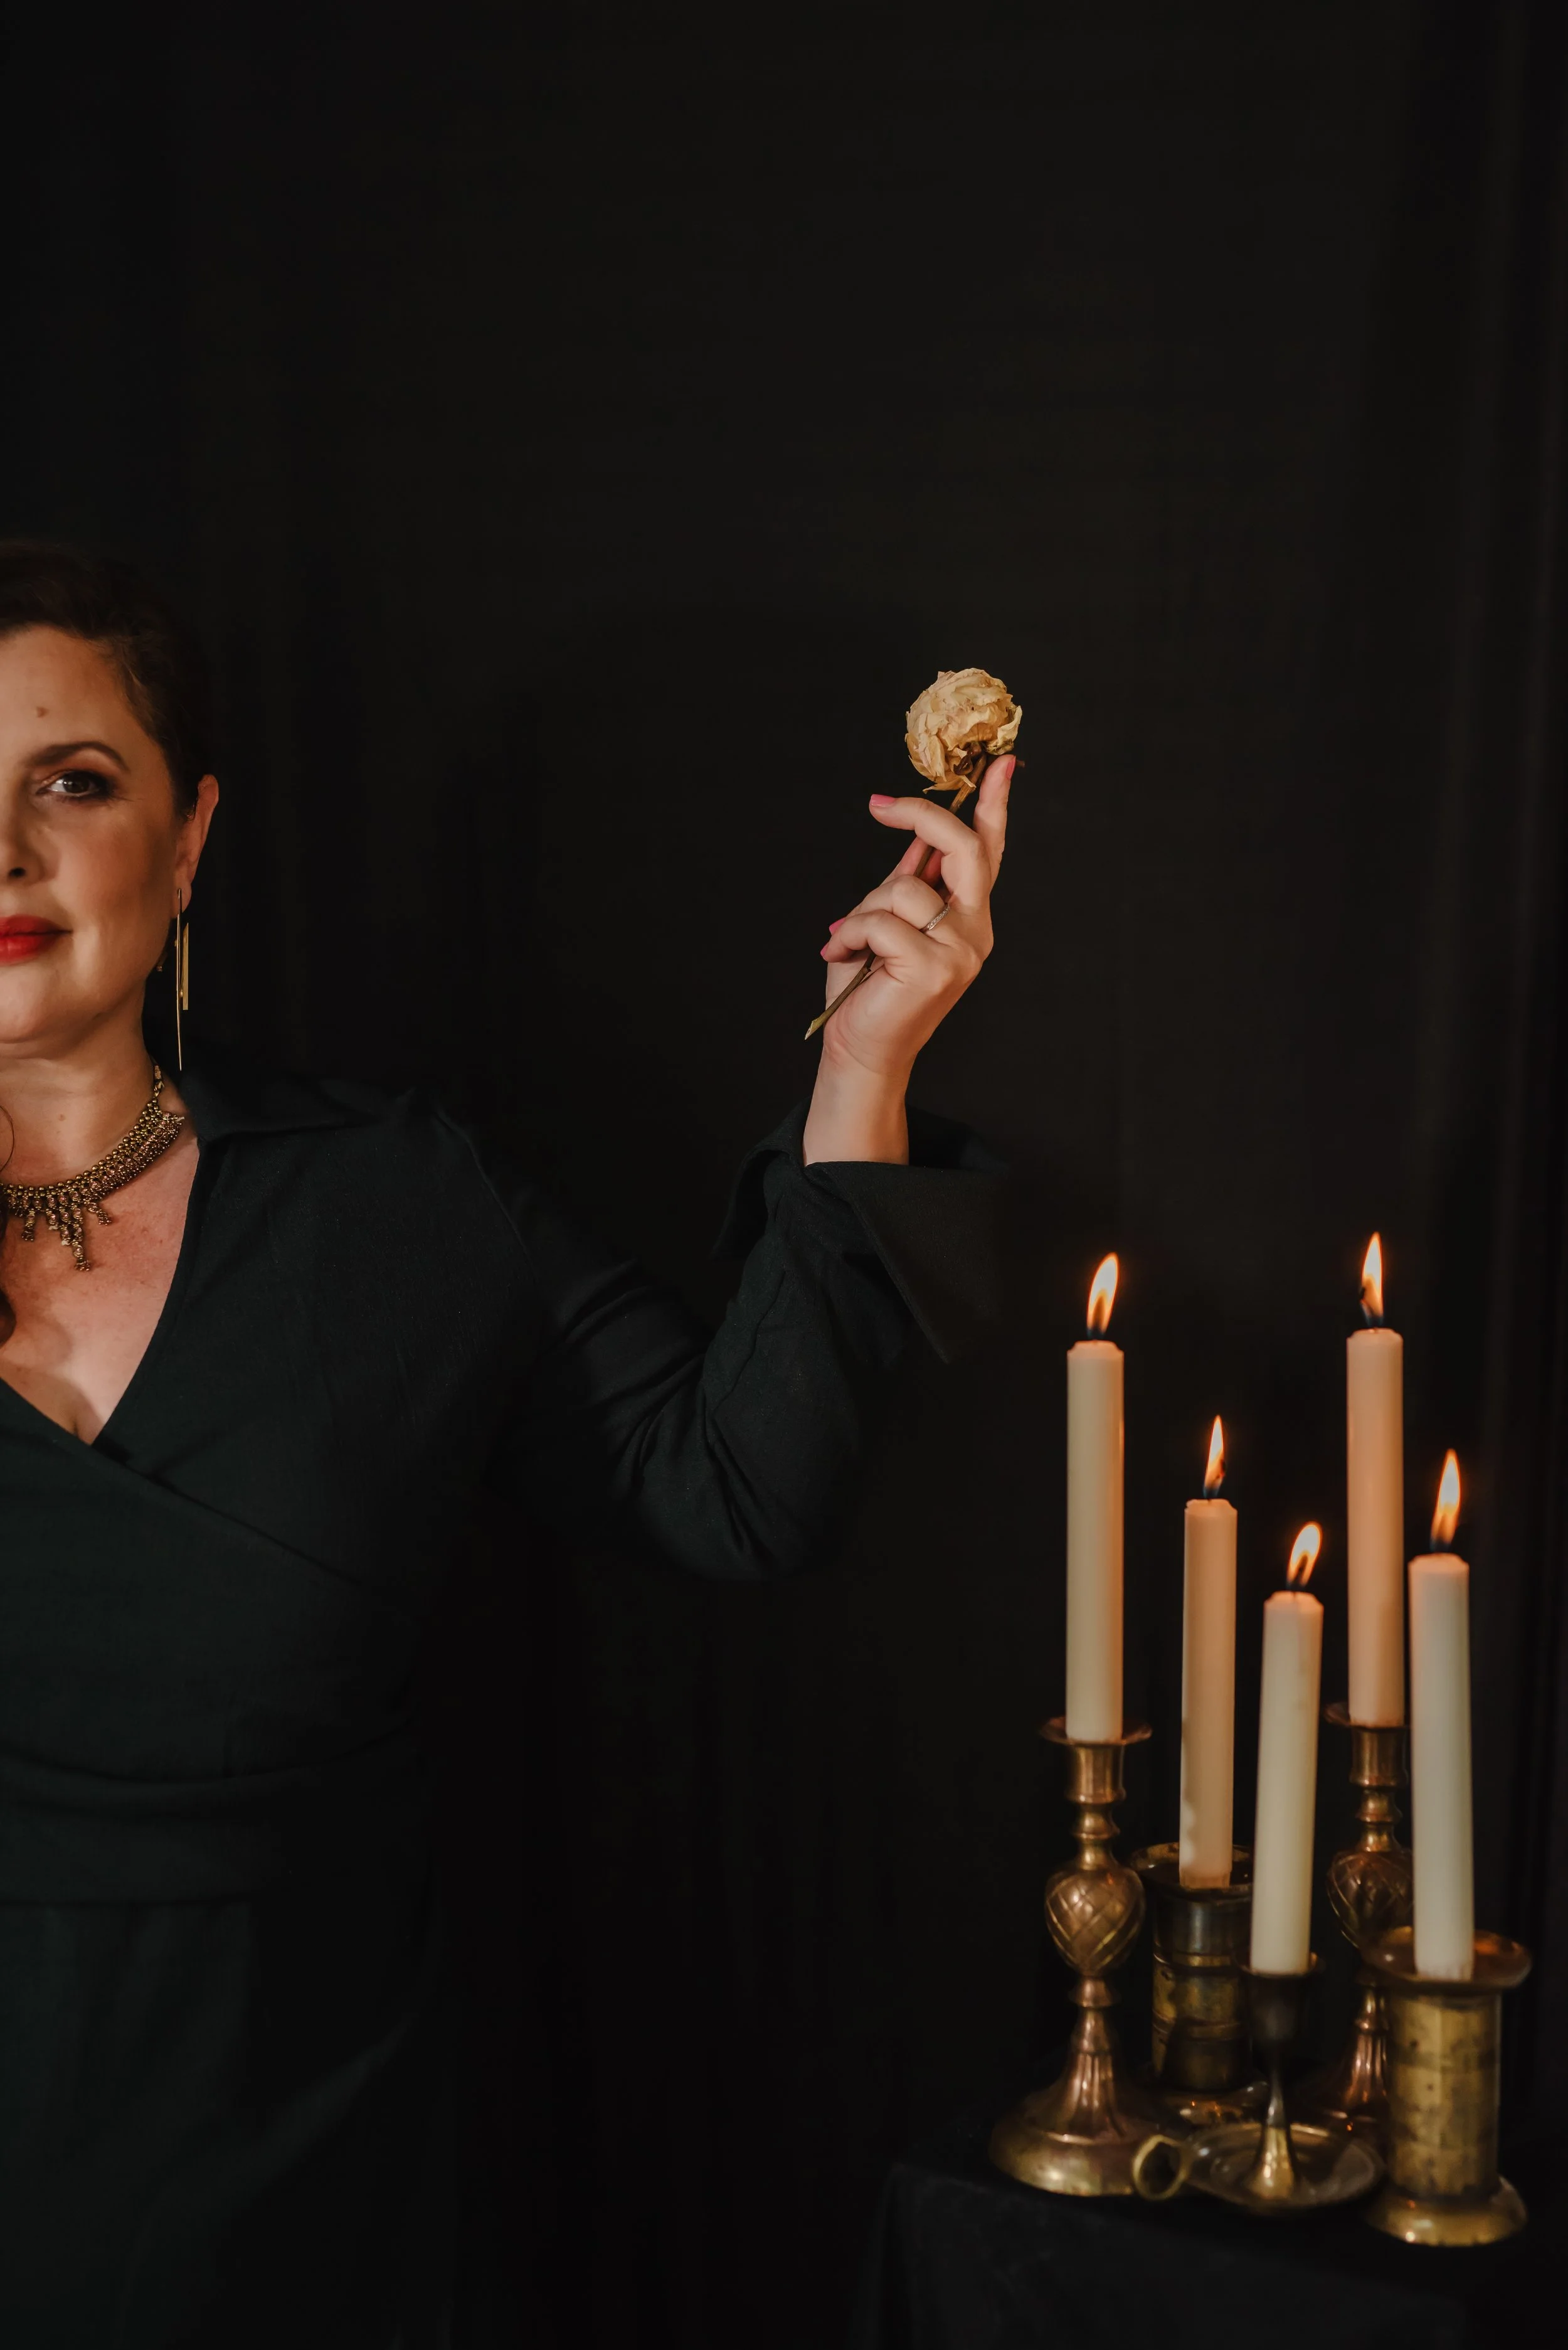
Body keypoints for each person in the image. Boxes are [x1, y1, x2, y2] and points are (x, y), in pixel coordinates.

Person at [0, 540, 1010, 2346]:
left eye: (68, 783)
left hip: (304, 2200)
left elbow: (738, 1494)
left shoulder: (397, 1200)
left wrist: (863, 1072)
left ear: (192, 833)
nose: (3, 852)